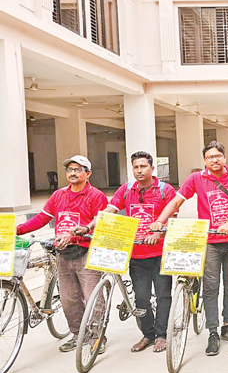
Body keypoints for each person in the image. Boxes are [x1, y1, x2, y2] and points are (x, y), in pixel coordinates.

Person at [150, 141, 228, 356]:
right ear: (204, 160)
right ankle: (213, 331)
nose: (214, 160)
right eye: (210, 157)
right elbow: (176, 201)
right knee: (210, 288)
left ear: (225, 157)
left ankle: (227, 325)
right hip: (209, 241)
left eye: (218, 156)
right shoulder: (196, 178)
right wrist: (160, 221)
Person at [81, 151, 176, 353]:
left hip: (160, 253)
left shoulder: (164, 190)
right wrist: (89, 226)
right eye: (136, 167)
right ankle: (148, 334)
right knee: (141, 299)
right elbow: (109, 210)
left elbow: (172, 217)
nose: (139, 170)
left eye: (143, 166)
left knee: (163, 295)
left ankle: (162, 335)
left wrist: (158, 234)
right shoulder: (126, 190)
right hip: (136, 254)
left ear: (152, 168)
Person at [16, 155, 109, 352]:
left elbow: (101, 225)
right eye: (69, 170)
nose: (72, 173)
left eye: (78, 169)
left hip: (87, 253)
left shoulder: (96, 196)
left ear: (88, 173)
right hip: (63, 254)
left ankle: (96, 336)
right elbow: (42, 218)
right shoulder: (58, 196)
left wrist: (77, 235)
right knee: (69, 299)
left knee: (93, 297)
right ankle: (78, 335)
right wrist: (17, 230)